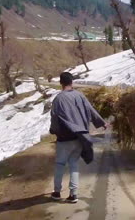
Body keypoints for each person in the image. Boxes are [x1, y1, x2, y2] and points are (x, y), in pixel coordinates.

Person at [49, 72, 108, 203]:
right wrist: (102, 123)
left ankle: (57, 192)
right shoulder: (80, 96)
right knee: (74, 164)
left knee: (60, 164)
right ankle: (73, 194)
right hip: (80, 137)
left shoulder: (58, 99)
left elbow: (54, 119)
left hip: (64, 138)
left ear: (61, 83)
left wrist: (54, 131)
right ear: (72, 82)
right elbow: (90, 110)